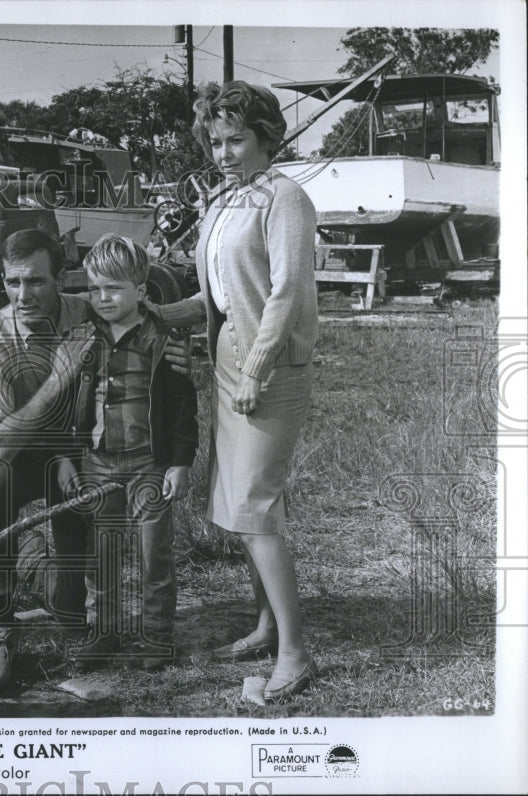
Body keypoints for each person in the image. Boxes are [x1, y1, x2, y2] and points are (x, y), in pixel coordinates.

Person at [155, 80, 319, 701]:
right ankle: (266, 624)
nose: (223, 153)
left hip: (270, 367)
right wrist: (155, 313)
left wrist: (256, 367)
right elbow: (220, 295)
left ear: (265, 137)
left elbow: (286, 294)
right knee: (250, 502)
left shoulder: (286, 199)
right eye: (215, 141)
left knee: (253, 507)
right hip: (229, 358)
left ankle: (296, 654)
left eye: (236, 140)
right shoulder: (226, 201)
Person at [0, 228, 92, 693]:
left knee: (70, 614)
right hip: (18, 457)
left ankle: (67, 590)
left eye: (37, 282)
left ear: (61, 278)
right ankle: (2, 624)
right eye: (13, 282)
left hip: (73, 452)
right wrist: (60, 376)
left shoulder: (85, 312)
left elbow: (150, 318)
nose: (23, 295)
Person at [67, 234, 198, 673]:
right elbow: (75, 403)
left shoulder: (162, 340)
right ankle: (103, 630)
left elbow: (182, 407)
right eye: (95, 289)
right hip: (100, 463)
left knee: (153, 554)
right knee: (99, 551)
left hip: (149, 463)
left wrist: (179, 462)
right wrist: (74, 456)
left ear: (141, 292)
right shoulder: (85, 338)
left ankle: (156, 636)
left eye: (114, 289)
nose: (102, 298)